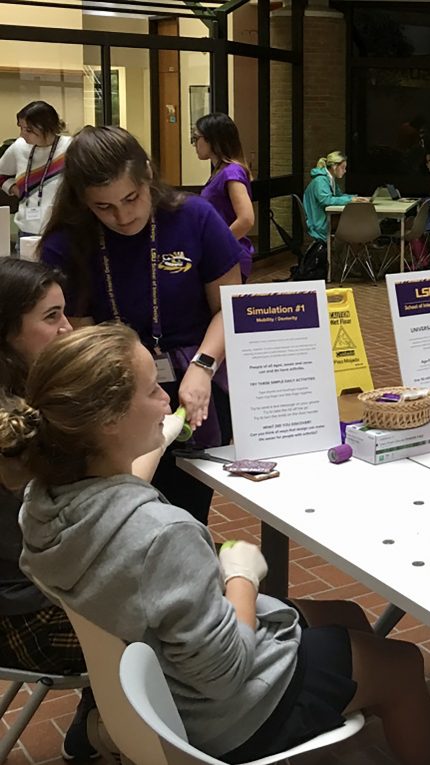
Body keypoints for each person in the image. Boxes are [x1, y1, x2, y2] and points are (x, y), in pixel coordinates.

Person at [1, 323, 430, 765]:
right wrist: (241, 573)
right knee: (404, 663)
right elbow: (226, 675)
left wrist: (157, 441)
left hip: (157, 681)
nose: (167, 396)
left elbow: (126, 494)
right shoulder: (162, 534)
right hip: (222, 715)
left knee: (344, 612)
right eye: (150, 390)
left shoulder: (45, 502)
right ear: (110, 422)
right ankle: (424, 728)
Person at [0, 259, 183, 761]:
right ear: (8, 329)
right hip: (25, 615)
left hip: (36, 588)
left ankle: (100, 723)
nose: (67, 329)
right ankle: (122, 733)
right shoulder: (17, 424)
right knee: (176, 621)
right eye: (52, 317)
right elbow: (105, 510)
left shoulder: (28, 399)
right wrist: (156, 440)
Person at [39, 125, 244, 526]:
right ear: (83, 201)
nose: (123, 215)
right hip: (116, 390)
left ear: (148, 174)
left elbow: (228, 308)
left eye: (131, 198)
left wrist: (203, 367)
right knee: (123, 511)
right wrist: (128, 393)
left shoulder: (194, 216)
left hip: (195, 378)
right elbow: (81, 335)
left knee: (186, 510)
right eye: (104, 207)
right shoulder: (68, 242)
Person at [193, 112, 255, 281]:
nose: (194, 144)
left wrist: (217, 244)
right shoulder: (221, 171)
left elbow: (246, 219)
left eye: (196, 137)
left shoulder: (231, 172)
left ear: (212, 139)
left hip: (229, 257)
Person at [0, 101, 73, 242]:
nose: (22, 135)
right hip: (27, 230)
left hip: (61, 230)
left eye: (28, 130)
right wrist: (13, 189)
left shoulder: (70, 147)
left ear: (48, 128)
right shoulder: (19, 147)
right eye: (21, 128)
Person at [302, 152, 369, 245]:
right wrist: (351, 200)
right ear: (334, 167)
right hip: (319, 222)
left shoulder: (329, 179)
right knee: (355, 221)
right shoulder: (320, 181)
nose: (345, 171)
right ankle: (363, 243)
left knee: (355, 220)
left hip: (323, 218)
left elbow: (339, 195)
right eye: (343, 168)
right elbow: (326, 200)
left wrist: (356, 198)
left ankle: (360, 245)